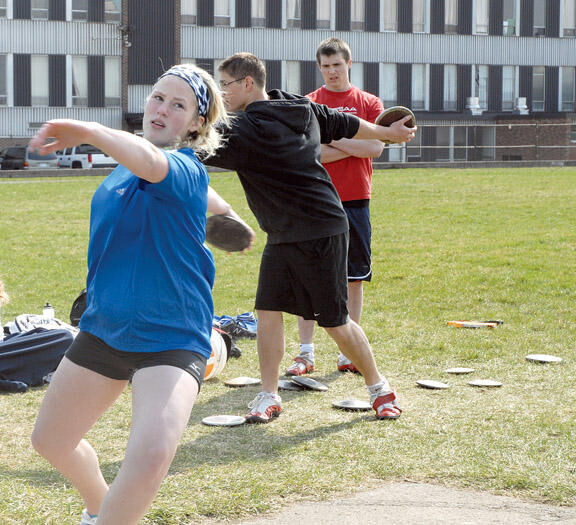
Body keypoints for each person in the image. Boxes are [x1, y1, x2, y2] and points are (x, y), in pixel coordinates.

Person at [29, 64, 251, 525]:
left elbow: (158, 167)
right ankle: (98, 508)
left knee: (149, 457)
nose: (162, 109)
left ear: (196, 124)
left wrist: (89, 129)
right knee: (49, 440)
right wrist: (221, 211)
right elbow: (147, 167)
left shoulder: (185, 167)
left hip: (171, 335)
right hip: (106, 327)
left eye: (178, 105)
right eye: (157, 97)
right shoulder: (123, 172)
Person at [205, 53, 416, 424]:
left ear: (248, 84)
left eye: (226, 85)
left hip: (321, 228)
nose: (223, 92)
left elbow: (343, 123)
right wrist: (386, 133)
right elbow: (345, 123)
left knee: (335, 322)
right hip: (283, 233)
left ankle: (380, 389)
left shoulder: (257, 123)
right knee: (267, 311)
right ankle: (268, 395)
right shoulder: (293, 105)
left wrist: (386, 134)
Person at [286, 38, 385, 377]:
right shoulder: (309, 104)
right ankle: (305, 352)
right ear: (320, 68)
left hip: (356, 198)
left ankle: (348, 353)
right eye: (325, 66)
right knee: (307, 276)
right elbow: (309, 153)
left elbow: (377, 146)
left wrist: (335, 142)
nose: (331, 72)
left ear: (349, 63)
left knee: (352, 278)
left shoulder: (368, 102)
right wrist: (354, 145)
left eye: (337, 65)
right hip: (315, 199)